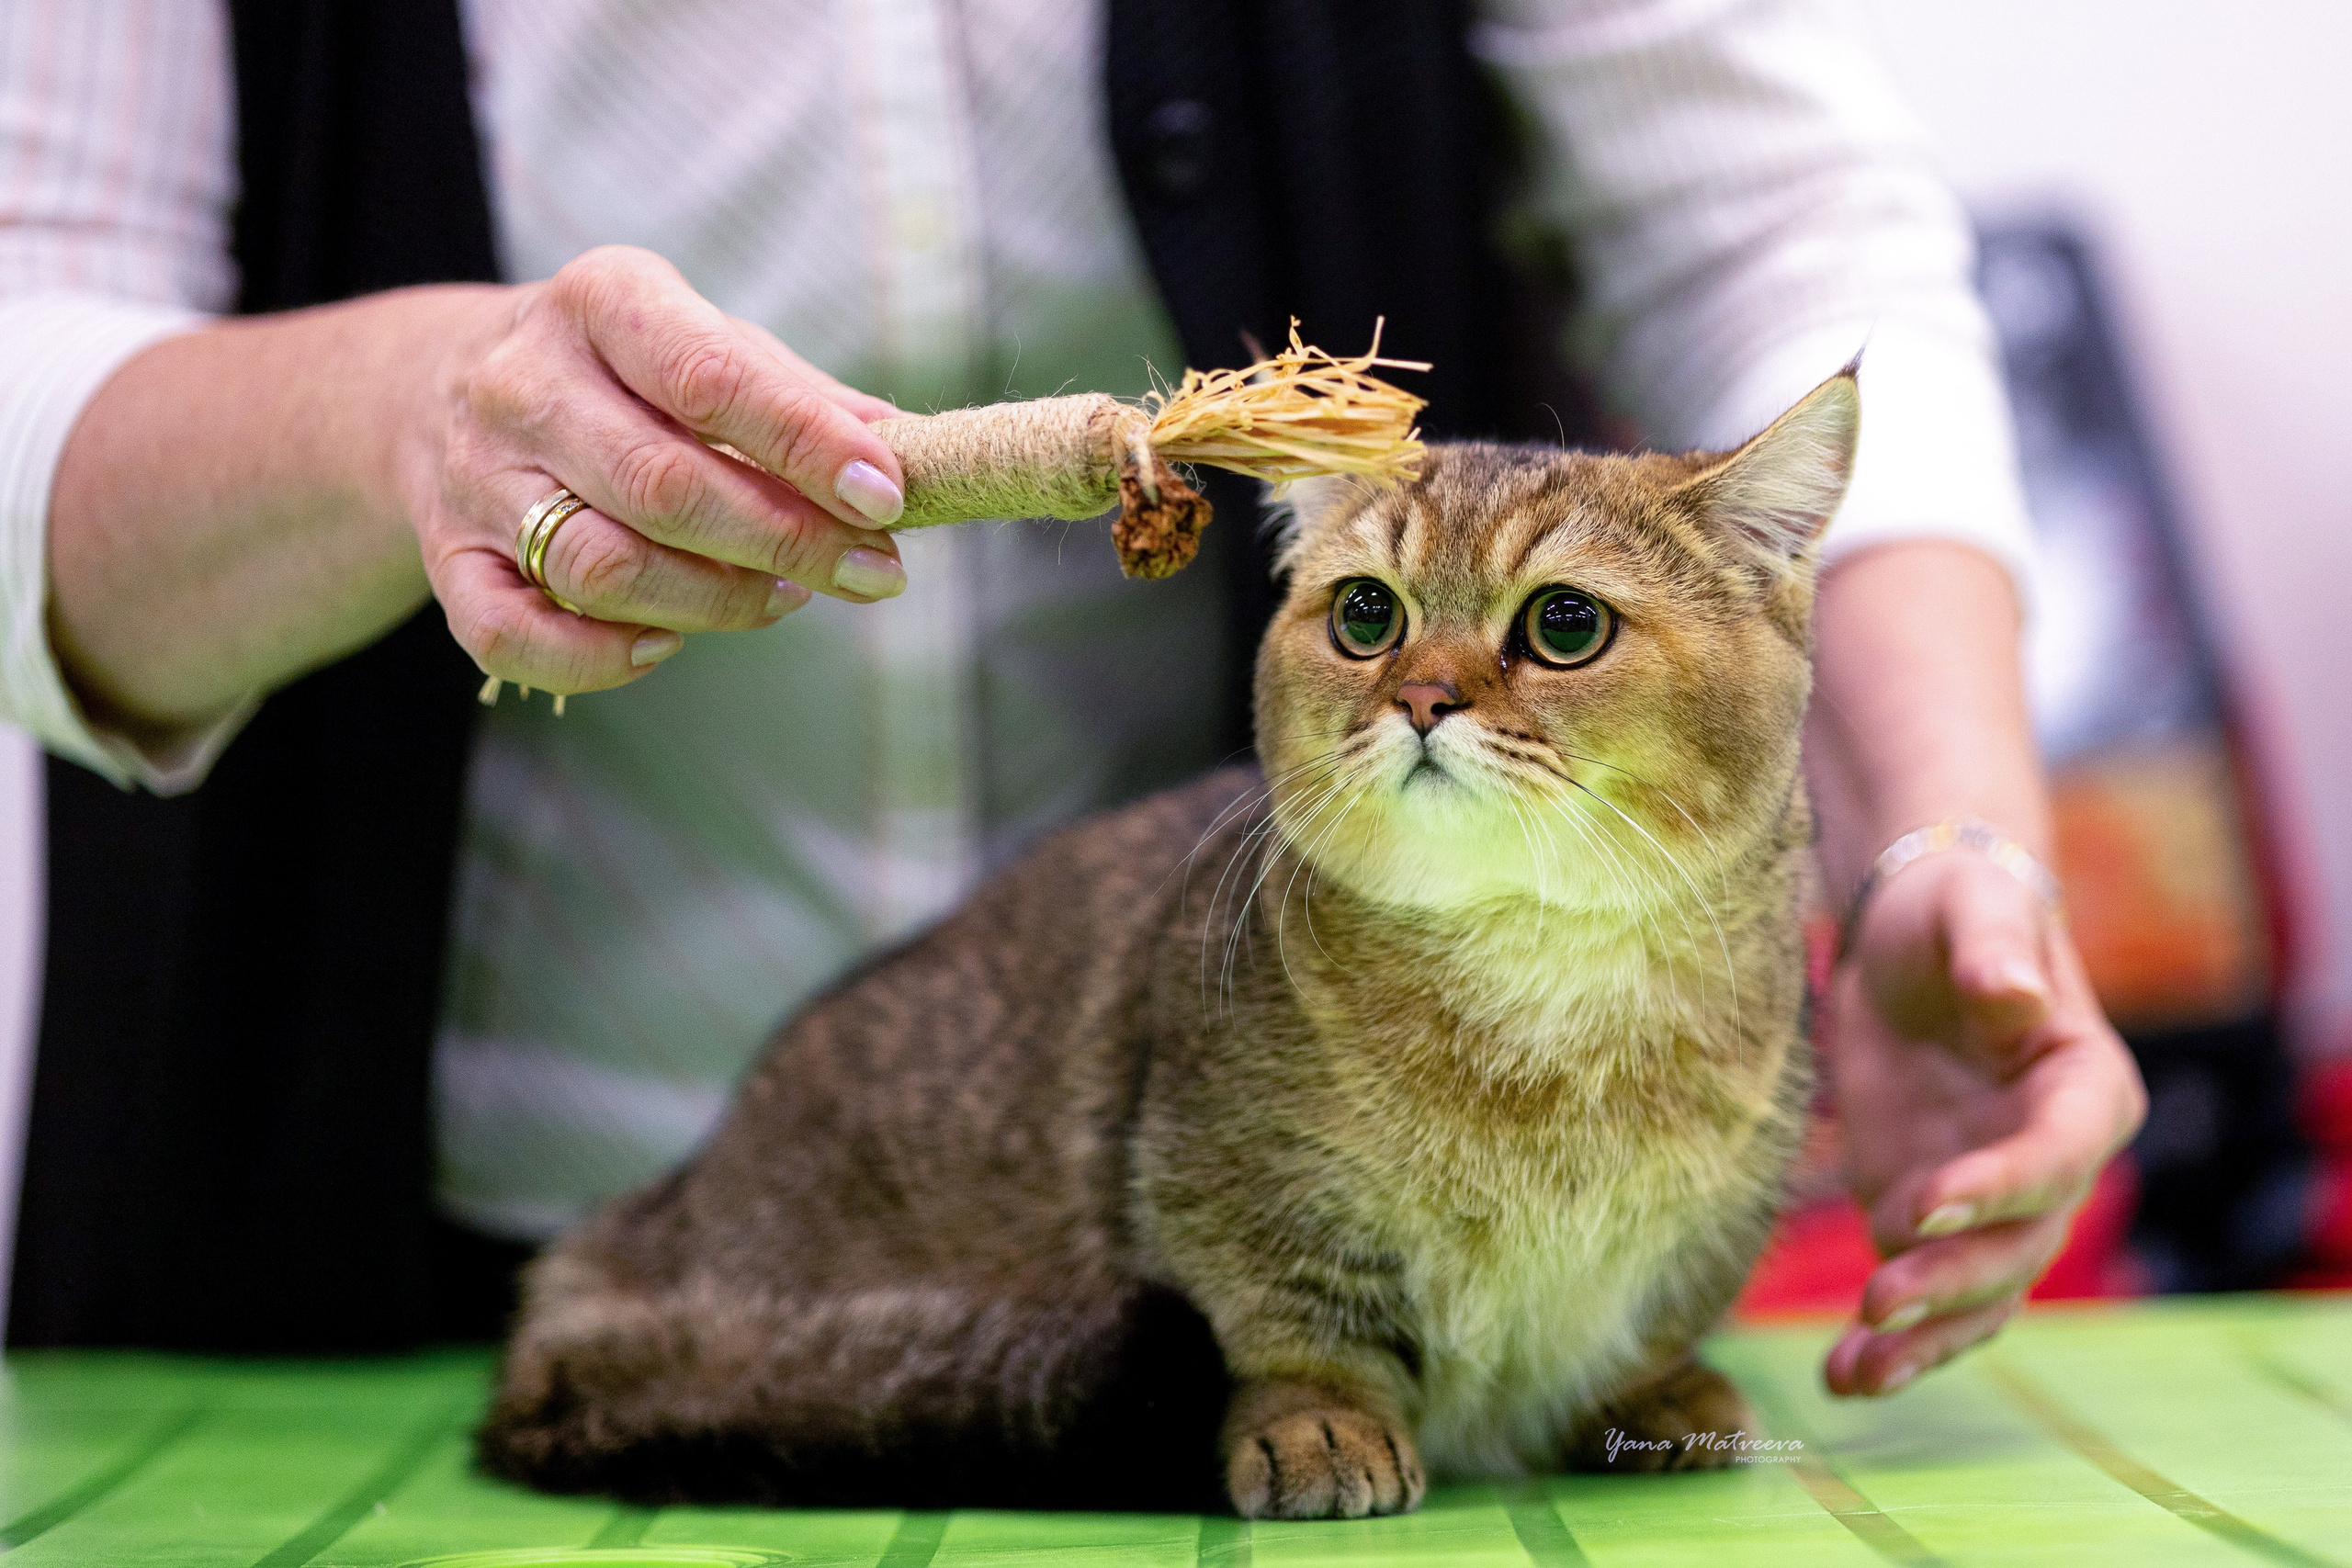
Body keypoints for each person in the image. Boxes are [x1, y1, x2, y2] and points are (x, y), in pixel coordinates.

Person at [0, 0, 2141, 1393]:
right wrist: (406, 410)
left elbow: (1765, 218)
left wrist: (1947, 838)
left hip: (1246, 1287)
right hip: (351, 1229)